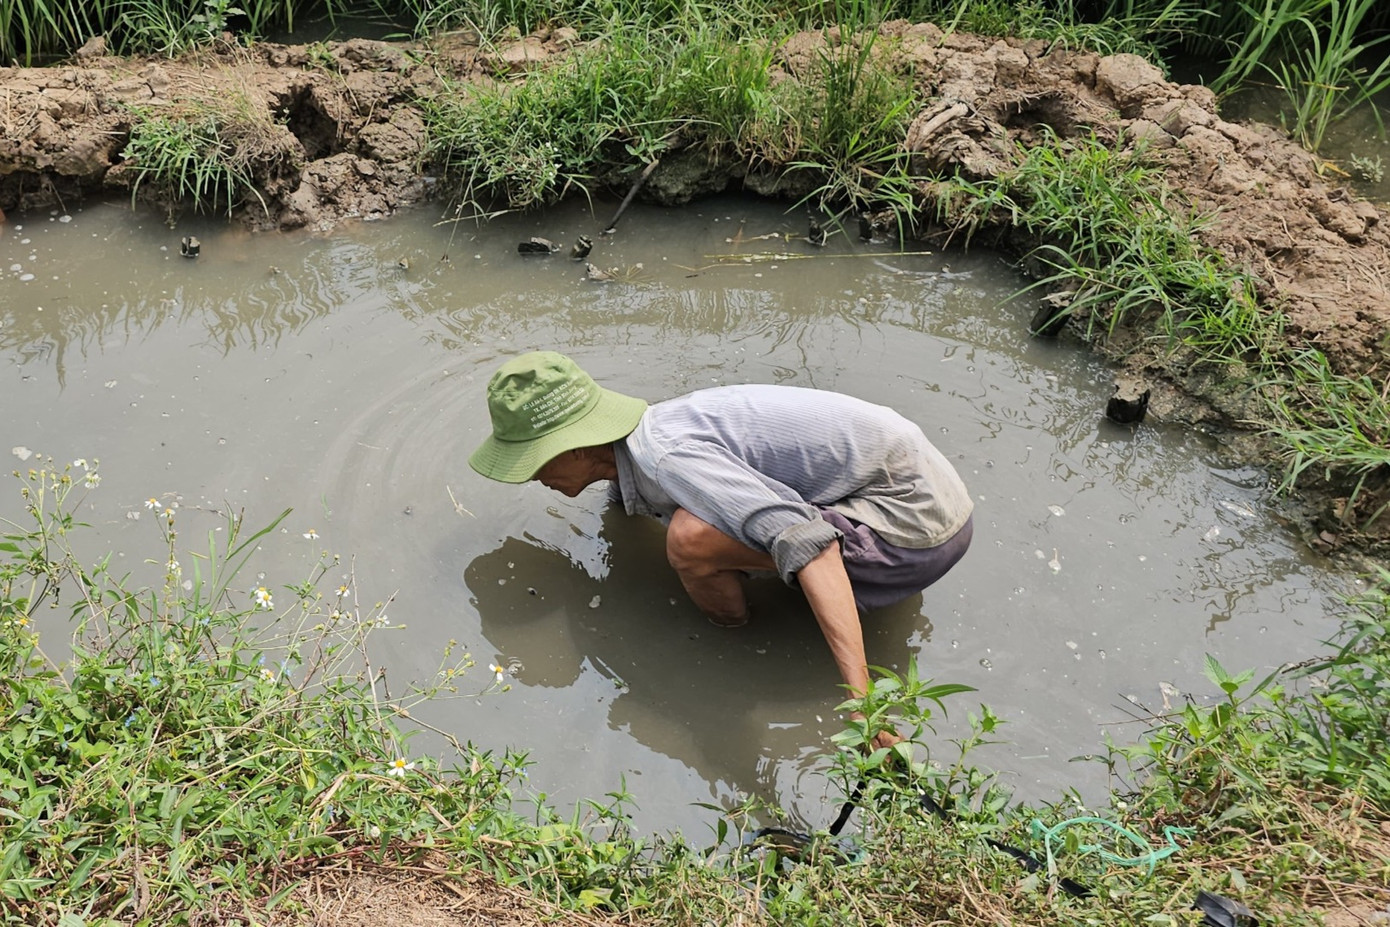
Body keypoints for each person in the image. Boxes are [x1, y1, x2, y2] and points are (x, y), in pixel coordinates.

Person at [468, 351, 974, 751]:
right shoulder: (640, 439)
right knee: (702, 526)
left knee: (690, 541)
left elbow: (815, 550)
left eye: (536, 463)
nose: (535, 479)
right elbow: (624, 505)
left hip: (916, 529)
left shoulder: (668, 459)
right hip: (916, 485)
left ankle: (736, 631)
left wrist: (864, 711)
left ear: (577, 447)